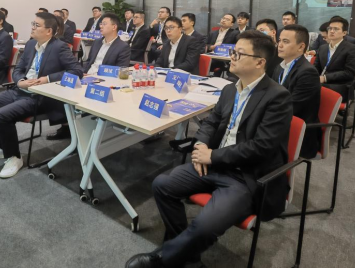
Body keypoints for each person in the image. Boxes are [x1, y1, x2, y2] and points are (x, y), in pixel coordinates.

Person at [125, 31, 292, 268]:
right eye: (233, 52)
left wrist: (212, 155)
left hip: (244, 176)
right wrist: (201, 145)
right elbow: (211, 122)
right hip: (213, 164)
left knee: (204, 226)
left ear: (259, 62)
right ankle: (188, 258)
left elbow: (261, 147)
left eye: (239, 54)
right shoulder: (230, 89)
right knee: (162, 185)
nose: (232, 57)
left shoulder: (277, 97)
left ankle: (162, 260)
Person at [0, 12, 83, 178]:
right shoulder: (31, 44)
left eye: (37, 25)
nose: (32, 27)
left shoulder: (59, 47)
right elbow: (18, 69)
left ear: (49, 31)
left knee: (1, 116)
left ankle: (14, 157)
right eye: (33, 23)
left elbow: (77, 71)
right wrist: (20, 81)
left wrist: (47, 79)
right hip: (20, 89)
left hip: (39, 96)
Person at [274, 24, 321, 158]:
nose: (280, 45)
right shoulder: (280, 66)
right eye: (279, 40)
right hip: (279, 122)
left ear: (301, 47)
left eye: (285, 41)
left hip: (297, 132)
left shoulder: (307, 72)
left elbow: (292, 107)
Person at [314, 16, 355, 102]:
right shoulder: (322, 48)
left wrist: (325, 78)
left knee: (311, 90)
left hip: (341, 86)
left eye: (336, 29)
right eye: (330, 28)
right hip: (322, 83)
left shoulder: (352, 49)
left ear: (344, 33)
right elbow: (316, 67)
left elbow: (349, 73)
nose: (332, 31)